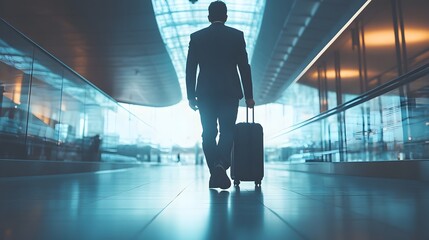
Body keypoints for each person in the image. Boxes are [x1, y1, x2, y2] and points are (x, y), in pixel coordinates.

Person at [186, 1, 255, 189]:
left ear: (209, 17)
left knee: (208, 133)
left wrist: (191, 96)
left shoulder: (197, 37)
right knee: (227, 131)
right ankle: (220, 165)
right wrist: (249, 95)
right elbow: (244, 68)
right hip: (229, 92)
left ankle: (215, 172)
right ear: (226, 16)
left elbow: (190, 68)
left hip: (205, 94)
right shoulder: (236, 36)